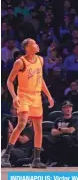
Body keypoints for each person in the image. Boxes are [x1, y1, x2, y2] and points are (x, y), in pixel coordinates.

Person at [1, 38, 54, 168]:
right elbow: (9, 81)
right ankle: (5, 156)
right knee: (22, 123)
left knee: (38, 128)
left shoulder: (40, 60)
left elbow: (41, 80)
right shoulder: (20, 62)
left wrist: (49, 96)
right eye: (34, 44)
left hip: (36, 97)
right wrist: (14, 97)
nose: (37, 45)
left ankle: (36, 159)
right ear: (27, 48)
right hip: (23, 96)